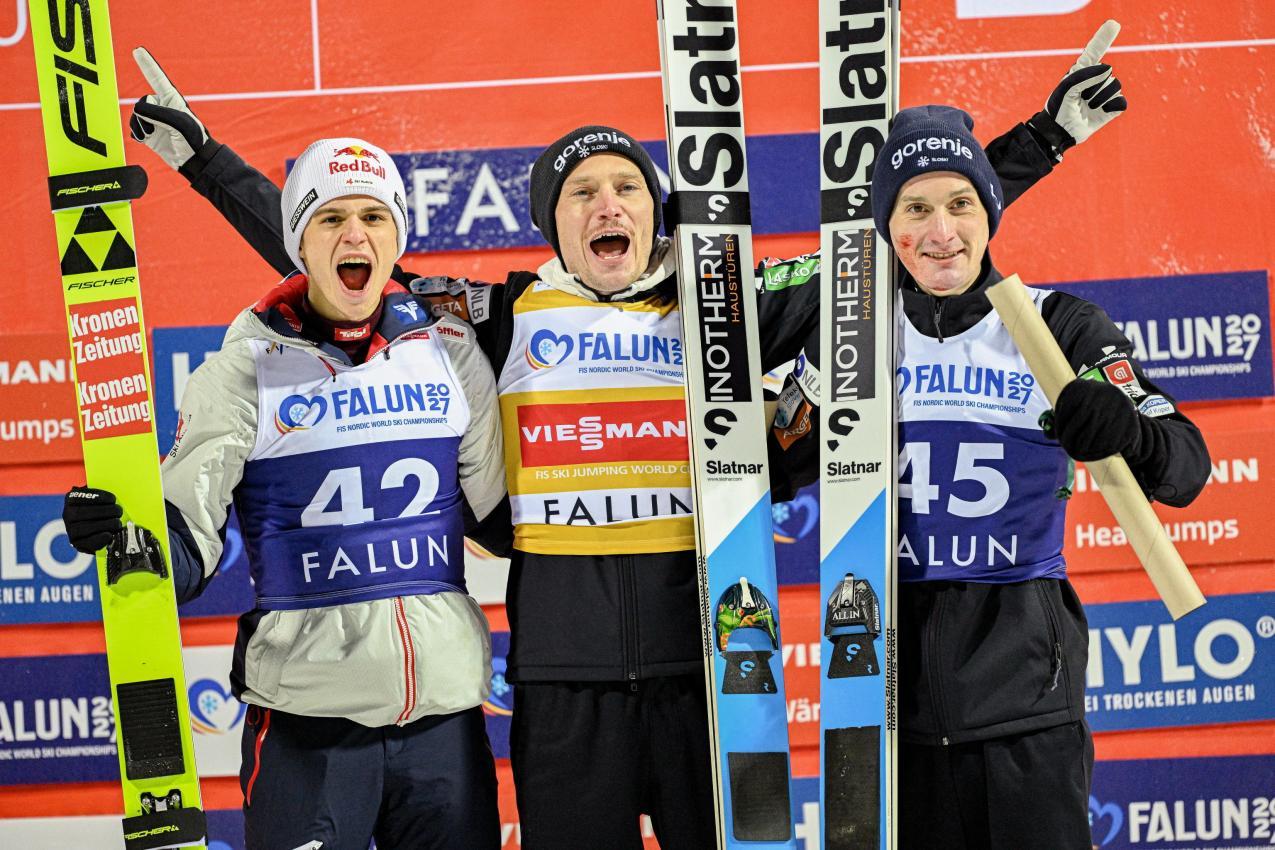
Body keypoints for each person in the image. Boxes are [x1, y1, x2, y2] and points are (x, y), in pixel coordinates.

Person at [121, 37, 1125, 847]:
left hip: (705, 676)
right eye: (581, 193)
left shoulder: (720, 303)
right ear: (554, 228)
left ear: (659, 213)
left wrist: (1044, 137)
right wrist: (210, 166)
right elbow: (347, 262)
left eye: (628, 188)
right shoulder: (502, 315)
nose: (608, 204)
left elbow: (906, 239)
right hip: (561, 686)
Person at [62, 138, 505, 850]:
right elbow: (183, 546)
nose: (354, 233)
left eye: (373, 216)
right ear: (297, 238)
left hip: (445, 726)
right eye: (329, 219)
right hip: (308, 730)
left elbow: (506, 517)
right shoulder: (244, 367)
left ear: (397, 235)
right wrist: (122, 537)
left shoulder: (450, 351)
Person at [849, 105, 1205, 849]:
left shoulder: (1058, 324)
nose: (941, 232)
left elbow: (1184, 468)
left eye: (960, 205)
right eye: (915, 208)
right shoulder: (853, 337)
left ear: (989, 213)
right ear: (888, 227)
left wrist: (1125, 428)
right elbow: (772, 464)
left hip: (1025, 704)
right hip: (885, 710)